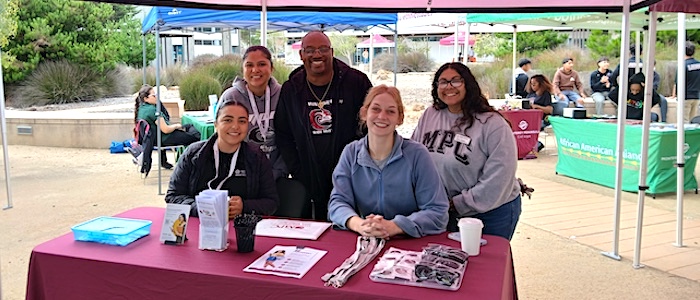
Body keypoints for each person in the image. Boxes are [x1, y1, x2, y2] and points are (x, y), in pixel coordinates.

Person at [411, 62, 522, 241]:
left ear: (468, 84)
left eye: (456, 81)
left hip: (490, 213)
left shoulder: (492, 124)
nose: (449, 87)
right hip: (443, 210)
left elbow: (499, 177)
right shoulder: (430, 115)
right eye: (443, 82)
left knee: (483, 265)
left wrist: (457, 203)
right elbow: (414, 157)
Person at [328, 85, 448, 238]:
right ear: (364, 113)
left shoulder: (418, 155)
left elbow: (437, 211)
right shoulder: (350, 153)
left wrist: (394, 226)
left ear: (400, 118)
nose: (382, 116)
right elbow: (337, 203)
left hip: (409, 244)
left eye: (390, 111)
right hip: (366, 239)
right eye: (376, 109)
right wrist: (360, 225)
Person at [275, 31, 373, 220]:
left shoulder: (356, 82)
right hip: (309, 177)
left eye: (323, 49)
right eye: (310, 50)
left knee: (349, 229)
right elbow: (283, 133)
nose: (317, 55)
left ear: (332, 52)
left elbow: (371, 125)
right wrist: (297, 169)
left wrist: (360, 163)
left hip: (352, 175)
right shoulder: (291, 89)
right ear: (301, 55)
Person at [165, 99, 279, 219]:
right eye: (227, 120)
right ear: (216, 124)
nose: (235, 126)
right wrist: (203, 209)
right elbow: (173, 197)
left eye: (242, 121)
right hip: (200, 226)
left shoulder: (257, 157)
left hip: (240, 229)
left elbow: (272, 202)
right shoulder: (193, 154)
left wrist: (244, 207)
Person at [220, 46, 287, 181]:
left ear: (271, 68)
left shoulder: (283, 95)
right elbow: (222, 139)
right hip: (240, 175)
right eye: (249, 65)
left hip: (277, 176)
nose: (255, 70)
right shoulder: (231, 97)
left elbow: (292, 137)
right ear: (242, 70)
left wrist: (279, 171)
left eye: (262, 64)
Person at [135, 85, 200, 169]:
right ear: (146, 99)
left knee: (188, 127)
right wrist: (176, 126)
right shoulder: (153, 111)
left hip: (155, 139)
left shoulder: (141, 109)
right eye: (154, 95)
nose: (156, 97)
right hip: (165, 138)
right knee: (196, 136)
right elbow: (165, 129)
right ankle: (192, 164)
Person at [611, 45, 668, 122]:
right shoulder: (645, 65)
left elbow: (613, 77)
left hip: (627, 93)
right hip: (642, 93)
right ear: (641, 52)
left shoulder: (624, 64)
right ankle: (664, 120)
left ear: (630, 53)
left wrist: (620, 87)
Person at [671, 41, 700, 122]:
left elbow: (677, 82)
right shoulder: (698, 64)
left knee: (683, 121)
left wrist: (674, 95)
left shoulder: (682, 65)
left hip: (685, 97)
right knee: (693, 121)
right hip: (696, 96)